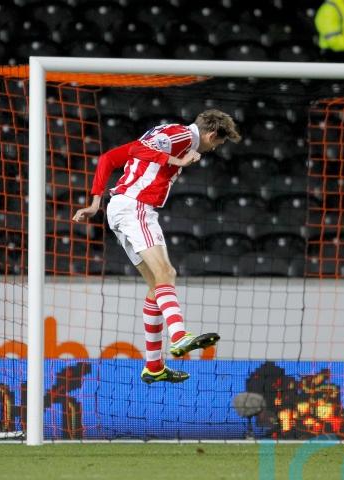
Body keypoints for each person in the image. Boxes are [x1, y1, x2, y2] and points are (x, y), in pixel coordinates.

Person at [73, 110, 240, 384]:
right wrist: (178, 160)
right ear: (212, 136)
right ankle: (179, 336)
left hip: (123, 208)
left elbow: (108, 159)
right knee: (167, 273)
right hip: (135, 207)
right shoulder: (182, 136)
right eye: (218, 143)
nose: (214, 149)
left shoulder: (169, 134)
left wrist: (94, 204)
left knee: (157, 286)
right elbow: (138, 150)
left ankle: (154, 367)